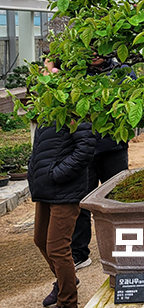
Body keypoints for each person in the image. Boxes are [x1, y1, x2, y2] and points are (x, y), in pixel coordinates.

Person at [71, 55, 133, 269]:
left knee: (117, 200)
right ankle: (79, 253)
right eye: (90, 49)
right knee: (80, 202)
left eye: (99, 48)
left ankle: (124, 249)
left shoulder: (123, 71)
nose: (95, 54)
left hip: (113, 148)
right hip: (82, 150)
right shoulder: (75, 75)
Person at [28, 121, 96, 308]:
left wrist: (57, 174)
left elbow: (86, 148)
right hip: (45, 188)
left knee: (57, 248)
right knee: (40, 240)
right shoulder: (46, 112)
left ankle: (67, 301)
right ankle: (66, 280)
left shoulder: (72, 111)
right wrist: (34, 172)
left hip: (66, 190)